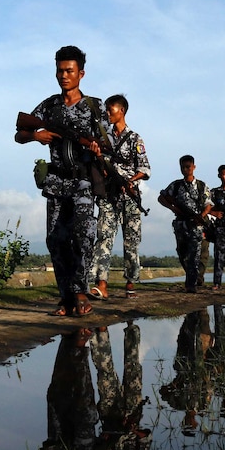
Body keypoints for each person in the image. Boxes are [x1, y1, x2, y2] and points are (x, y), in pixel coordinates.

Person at [15, 45, 106, 317]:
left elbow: (106, 141)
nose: (64, 75)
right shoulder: (49, 106)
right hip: (56, 181)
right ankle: (66, 298)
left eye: (70, 71)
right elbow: (19, 134)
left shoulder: (94, 106)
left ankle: (80, 291)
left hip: (83, 182)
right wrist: (36, 136)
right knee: (55, 240)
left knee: (83, 236)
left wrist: (97, 149)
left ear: (81, 74)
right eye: (60, 70)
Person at [88, 94, 151, 300]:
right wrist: (97, 156)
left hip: (130, 197)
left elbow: (145, 168)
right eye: (106, 110)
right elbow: (98, 164)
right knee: (104, 237)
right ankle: (101, 284)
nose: (107, 113)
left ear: (121, 111)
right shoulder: (103, 137)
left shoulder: (135, 139)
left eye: (111, 110)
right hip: (108, 194)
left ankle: (131, 281)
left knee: (131, 242)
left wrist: (129, 182)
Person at [158, 155, 212, 293]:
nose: (186, 169)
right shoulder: (175, 185)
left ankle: (191, 284)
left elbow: (208, 204)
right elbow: (161, 198)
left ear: (194, 167)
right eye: (183, 167)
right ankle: (191, 279)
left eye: (189, 166)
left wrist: (201, 216)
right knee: (182, 253)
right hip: (181, 224)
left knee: (195, 254)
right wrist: (173, 208)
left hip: (196, 224)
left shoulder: (202, 186)